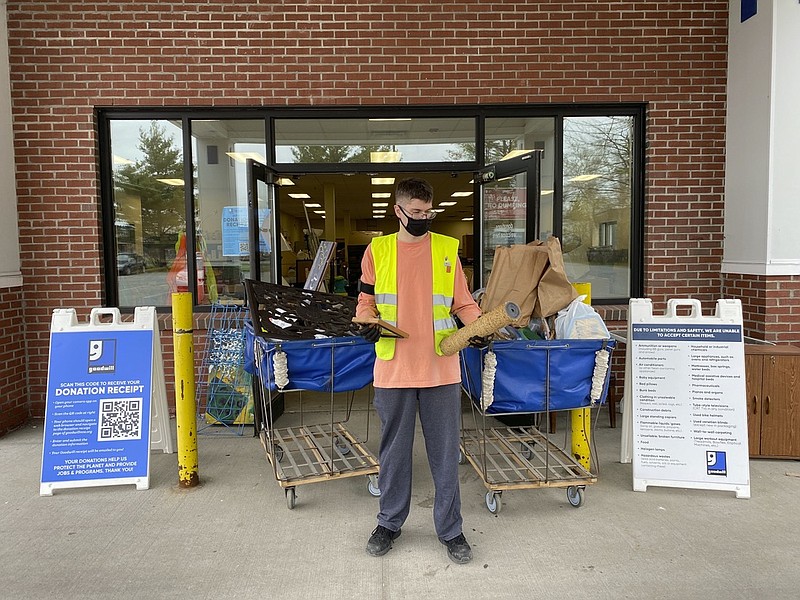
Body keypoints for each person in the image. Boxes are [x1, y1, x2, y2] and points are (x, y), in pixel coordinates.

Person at [355, 177, 482, 564]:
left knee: (444, 454)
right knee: (394, 452)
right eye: (416, 212)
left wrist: (477, 328)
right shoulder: (377, 251)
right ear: (398, 211)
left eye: (429, 212)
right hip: (393, 370)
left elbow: (462, 303)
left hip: (440, 370)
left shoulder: (447, 250)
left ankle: (451, 530)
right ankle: (389, 523)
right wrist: (366, 321)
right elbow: (365, 301)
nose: (424, 218)